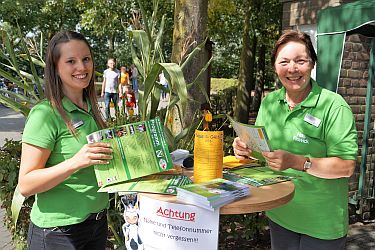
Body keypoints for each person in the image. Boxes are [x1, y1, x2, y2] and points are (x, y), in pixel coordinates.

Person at [232, 30, 358, 250]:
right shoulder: (270, 102)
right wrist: (245, 149)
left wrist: (298, 162)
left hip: (321, 224)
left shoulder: (334, 106)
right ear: (275, 67)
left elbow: (346, 166)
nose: (292, 69)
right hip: (280, 214)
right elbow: (264, 153)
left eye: (300, 61)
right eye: (284, 62)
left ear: (312, 64)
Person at [18, 31, 113, 250]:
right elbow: (26, 185)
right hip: (58, 233)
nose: (82, 67)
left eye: (86, 59)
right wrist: (76, 161)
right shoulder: (45, 114)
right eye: (71, 61)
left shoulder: (91, 108)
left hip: (96, 224)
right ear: (55, 67)